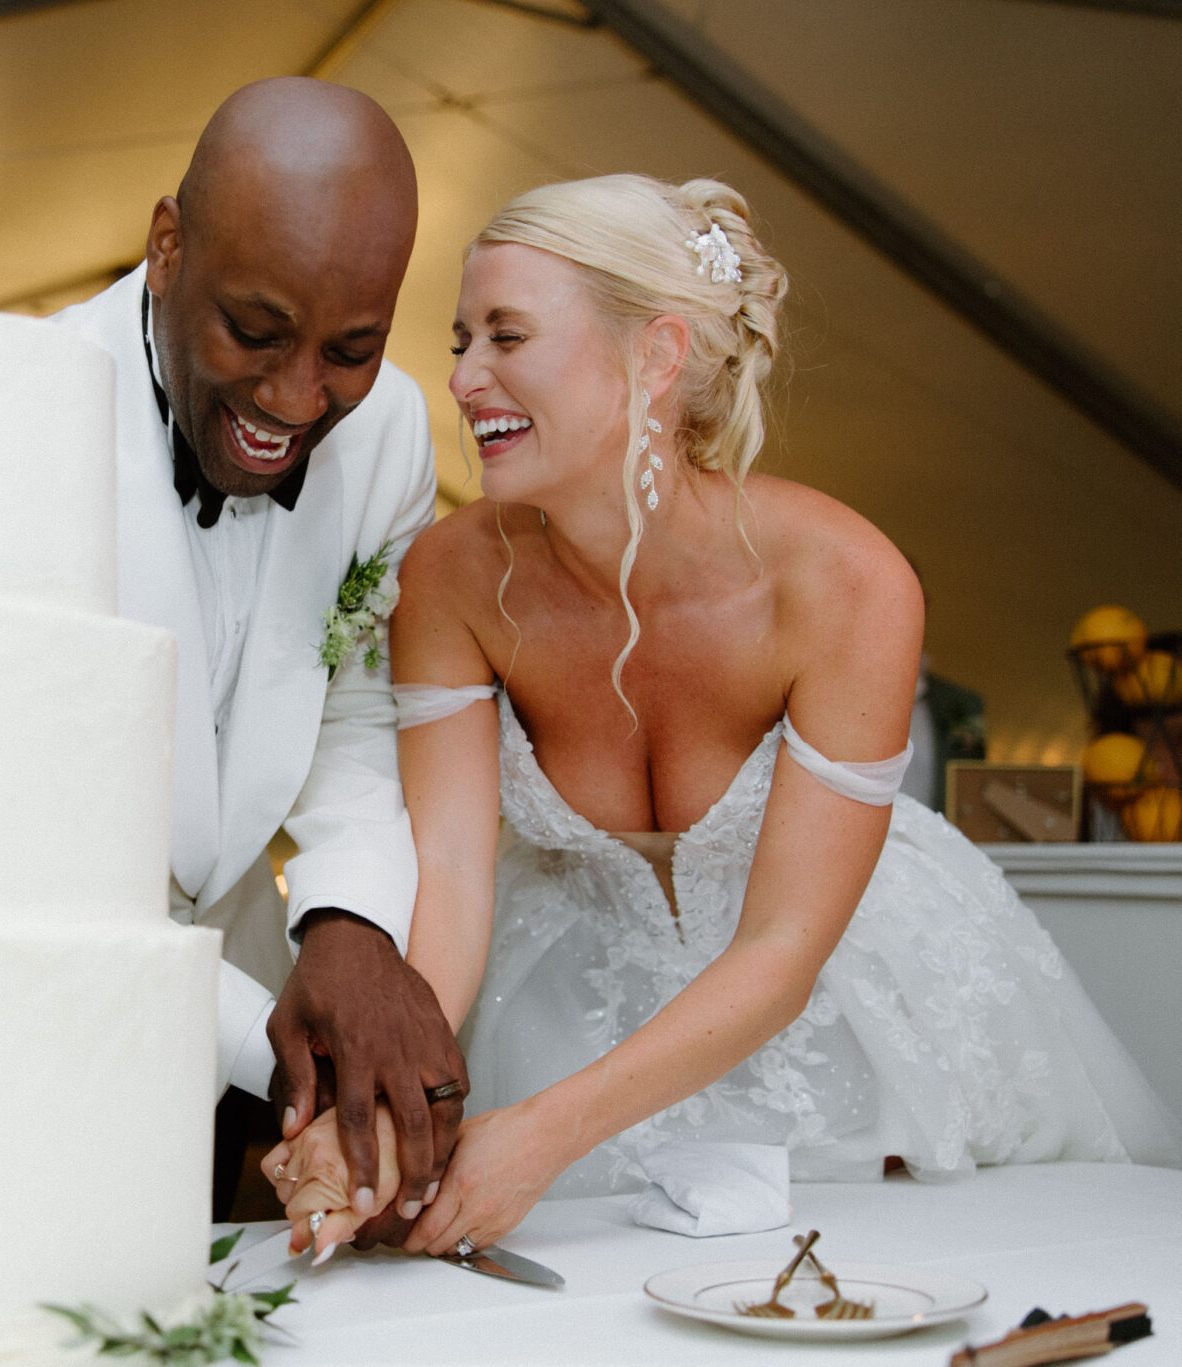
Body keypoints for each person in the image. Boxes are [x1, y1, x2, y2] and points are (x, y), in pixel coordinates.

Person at [268, 174, 1182, 1258]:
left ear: (656, 357)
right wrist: (386, 1106)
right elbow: (455, 874)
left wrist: (546, 1132)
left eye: (507, 336)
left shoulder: (844, 582)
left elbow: (786, 943)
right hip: (567, 1008)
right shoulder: (452, 577)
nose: (463, 379)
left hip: (856, 1020)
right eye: (461, 338)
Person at [52, 78, 463, 1241]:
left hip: (200, 1045)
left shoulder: (385, 438)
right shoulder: (22, 424)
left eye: (351, 349)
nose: (294, 399)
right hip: (12, 1026)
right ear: (167, 245)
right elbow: (35, 849)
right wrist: (277, 1039)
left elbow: (353, 706)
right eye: (256, 331)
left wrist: (347, 922)